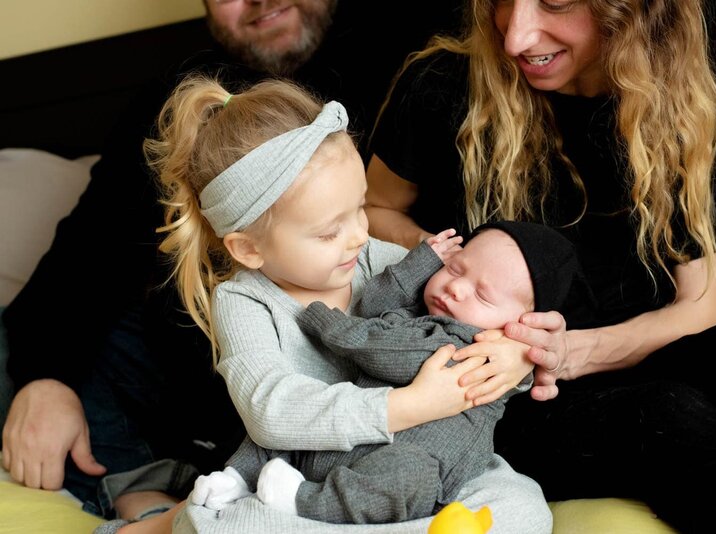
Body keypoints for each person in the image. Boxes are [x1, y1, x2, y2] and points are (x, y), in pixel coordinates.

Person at [0, 0, 464, 523]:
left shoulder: (417, 65)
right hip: (172, 379)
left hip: (322, 400)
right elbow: (84, 255)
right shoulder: (174, 99)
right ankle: (142, 487)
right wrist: (46, 377)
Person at [364, 0, 716, 532]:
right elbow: (373, 209)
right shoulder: (443, 84)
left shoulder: (689, 115)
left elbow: (700, 309)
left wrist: (559, 352)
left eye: (555, 3)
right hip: (498, 399)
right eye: (503, 2)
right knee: (664, 416)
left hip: (618, 353)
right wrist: (445, 257)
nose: (514, 37)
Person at [137, 75, 551, 534]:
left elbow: (473, 313)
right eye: (329, 231)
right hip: (305, 478)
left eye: (359, 209)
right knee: (227, 526)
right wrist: (409, 404)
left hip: (420, 466)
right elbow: (271, 411)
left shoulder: (383, 261)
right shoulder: (246, 302)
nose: (358, 234)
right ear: (249, 249)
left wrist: (517, 355)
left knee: (523, 506)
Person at [191, 219, 596, 524]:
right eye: (455, 270)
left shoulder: (468, 343)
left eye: (483, 295)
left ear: (521, 322)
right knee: (280, 432)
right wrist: (423, 261)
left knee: (416, 481)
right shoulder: (424, 308)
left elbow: (385, 349)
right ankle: (238, 477)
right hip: (337, 436)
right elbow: (374, 303)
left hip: (406, 462)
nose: (456, 288)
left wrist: (325, 322)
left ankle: (305, 502)